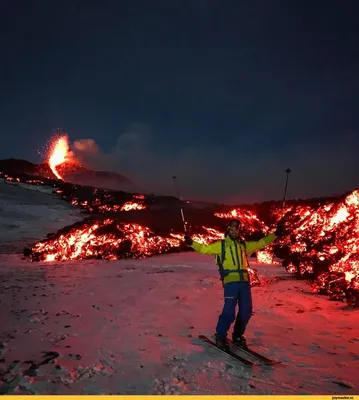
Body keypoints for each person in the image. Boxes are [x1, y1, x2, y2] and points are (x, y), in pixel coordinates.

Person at [184, 218, 284, 350]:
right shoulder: (221, 245)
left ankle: (237, 335)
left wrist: (275, 234)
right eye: (232, 228)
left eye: (237, 228)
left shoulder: (243, 245)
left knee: (246, 311)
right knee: (229, 312)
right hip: (230, 282)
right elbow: (204, 249)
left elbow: (260, 243)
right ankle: (220, 335)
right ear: (228, 229)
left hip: (244, 282)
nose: (234, 230)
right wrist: (191, 242)